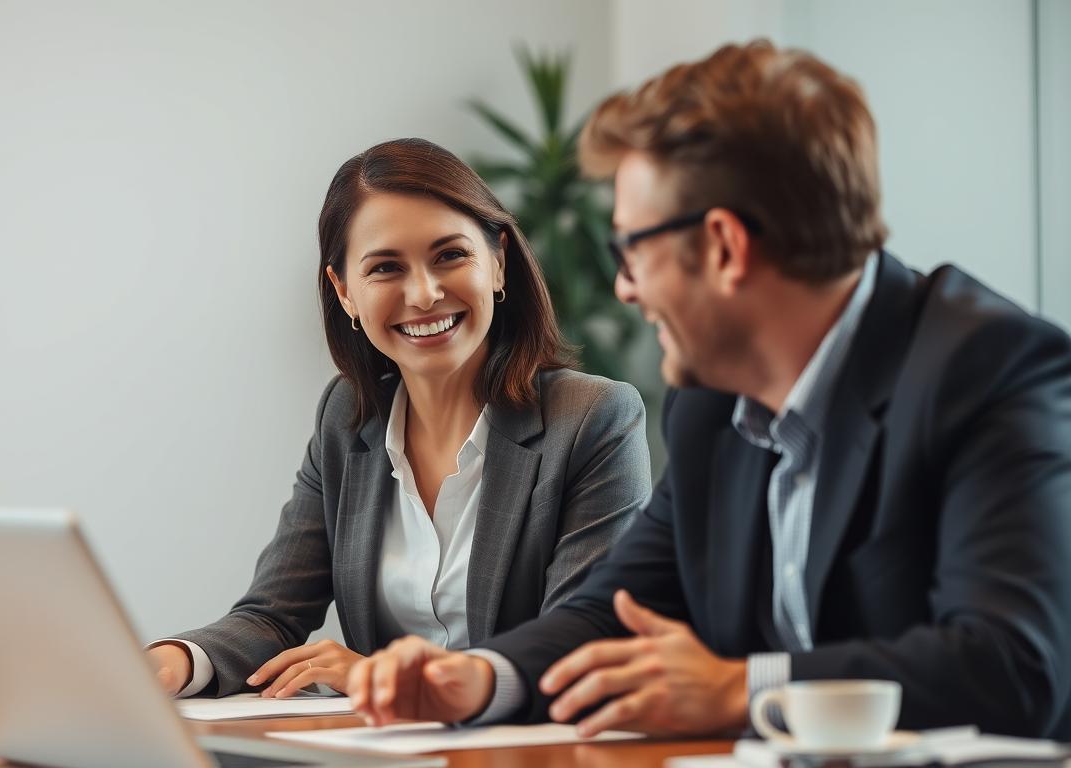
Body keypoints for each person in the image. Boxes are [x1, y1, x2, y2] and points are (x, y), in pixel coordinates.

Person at [348, 41, 1071, 739]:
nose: (625, 289)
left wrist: (739, 688)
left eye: (631, 248)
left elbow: (1013, 666)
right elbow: (612, 612)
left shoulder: (989, 368)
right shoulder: (713, 405)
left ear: (724, 246)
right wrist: (479, 678)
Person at [146, 138, 652, 700]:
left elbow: (578, 645)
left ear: (498, 262)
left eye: (450, 256)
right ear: (345, 293)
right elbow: (272, 616)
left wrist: (380, 678)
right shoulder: (347, 418)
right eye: (386, 268)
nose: (425, 293)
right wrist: (171, 662)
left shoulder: (593, 419)